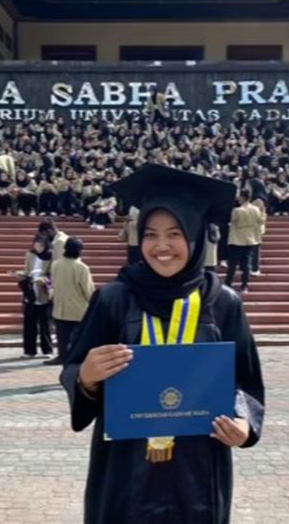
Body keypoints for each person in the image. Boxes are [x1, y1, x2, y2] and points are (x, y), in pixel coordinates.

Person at [59, 164, 264, 523]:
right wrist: (87, 378)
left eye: (175, 233)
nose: (162, 246)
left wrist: (244, 424)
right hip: (125, 467)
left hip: (198, 466)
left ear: (197, 235)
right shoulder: (114, 299)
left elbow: (246, 383)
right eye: (150, 234)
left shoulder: (223, 302)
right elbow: (76, 370)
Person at [48, 236, 95, 366]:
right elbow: (88, 290)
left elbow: (53, 284)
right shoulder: (81, 267)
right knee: (78, 340)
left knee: (62, 339)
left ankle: (63, 359)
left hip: (60, 308)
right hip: (78, 310)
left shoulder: (56, 264)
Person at [15, 235, 54, 359]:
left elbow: (52, 274)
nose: (38, 248)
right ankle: (29, 350)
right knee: (29, 324)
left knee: (44, 324)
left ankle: (47, 350)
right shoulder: (30, 255)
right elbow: (27, 270)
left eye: (40, 245)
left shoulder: (50, 256)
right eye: (36, 245)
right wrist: (21, 274)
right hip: (31, 291)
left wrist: (43, 279)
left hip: (43, 292)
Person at [226, 191, 259, 294]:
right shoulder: (255, 209)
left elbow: (231, 220)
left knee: (232, 264)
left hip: (236, 239)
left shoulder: (237, 210)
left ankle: (228, 283)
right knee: (246, 264)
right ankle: (244, 285)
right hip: (250, 238)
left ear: (242, 197)